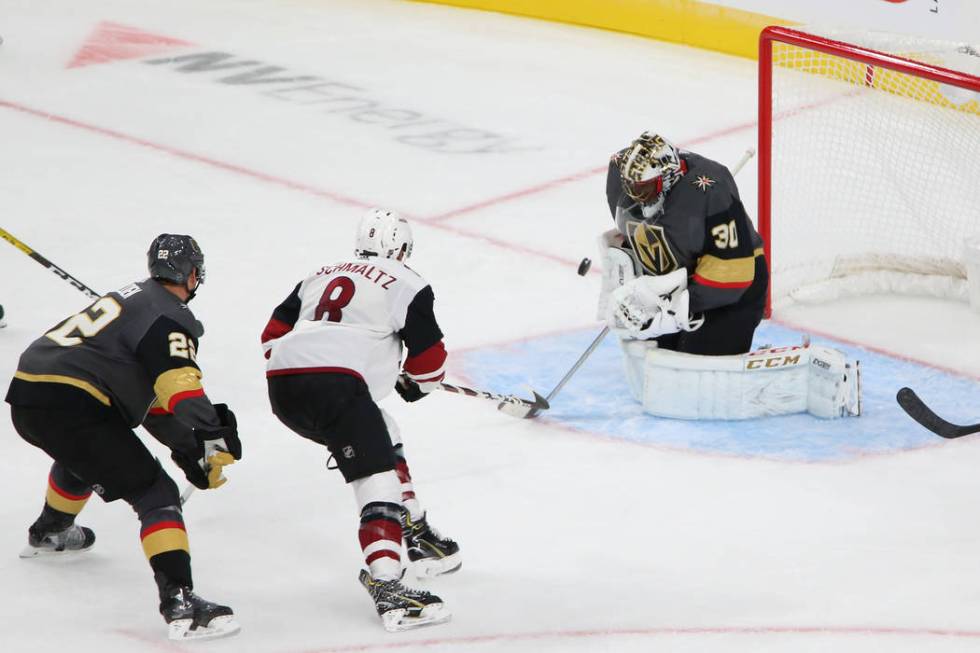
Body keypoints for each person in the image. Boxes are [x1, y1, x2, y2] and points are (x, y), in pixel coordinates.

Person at [5, 234, 242, 641]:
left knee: (90, 451)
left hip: (28, 394)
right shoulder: (171, 316)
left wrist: (187, 447)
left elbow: (146, 403)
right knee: (156, 493)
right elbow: (180, 391)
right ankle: (179, 603)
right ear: (191, 273)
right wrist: (210, 436)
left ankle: (52, 529)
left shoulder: (131, 298)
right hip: (73, 404)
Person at [261, 208, 458, 632]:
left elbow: (271, 335)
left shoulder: (317, 274)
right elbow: (429, 362)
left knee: (384, 431)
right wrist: (416, 383)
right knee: (376, 480)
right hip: (337, 387)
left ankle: (416, 533)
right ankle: (388, 584)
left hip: (283, 384)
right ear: (402, 248)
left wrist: (313, 364)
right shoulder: (408, 282)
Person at [600, 132, 859, 419]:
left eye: (646, 189)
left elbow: (734, 272)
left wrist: (679, 309)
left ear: (669, 176)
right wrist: (627, 281)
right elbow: (630, 235)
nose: (638, 197)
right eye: (633, 188)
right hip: (679, 280)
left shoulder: (713, 189)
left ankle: (801, 369)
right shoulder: (621, 174)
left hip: (732, 290)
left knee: (694, 378)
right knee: (658, 361)